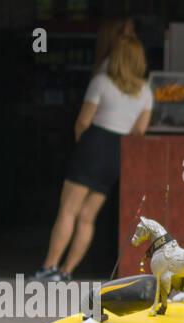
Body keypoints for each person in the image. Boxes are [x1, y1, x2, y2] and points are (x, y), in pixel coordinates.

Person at [31, 35, 152, 282]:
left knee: (68, 210)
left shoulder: (101, 82)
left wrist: (82, 144)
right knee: (88, 217)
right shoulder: (145, 91)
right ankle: (67, 271)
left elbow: (83, 121)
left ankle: (48, 267)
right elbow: (139, 131)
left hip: (93, 146)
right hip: (116, 154)